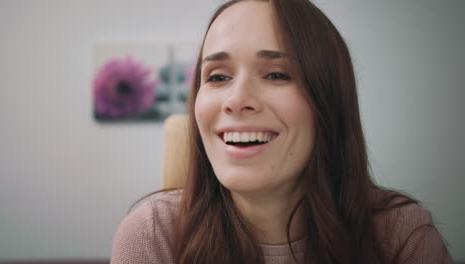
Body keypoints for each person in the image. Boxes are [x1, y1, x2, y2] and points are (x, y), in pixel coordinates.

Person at [110, 0, 452, 263]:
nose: (237, 100)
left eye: (276, 74)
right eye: (217, 76)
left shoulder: (403, 237)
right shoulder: (151, 238)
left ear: (328, 102)